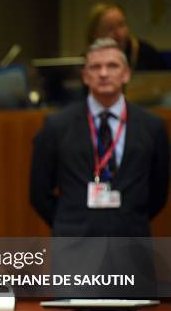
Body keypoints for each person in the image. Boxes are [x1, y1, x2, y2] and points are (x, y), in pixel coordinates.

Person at [30, 38, 169, 297]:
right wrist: (71, 221)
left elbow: (158, 192)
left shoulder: (153, 127)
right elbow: (39, 193)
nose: (104, 73)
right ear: (84, 76)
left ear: (126, 73)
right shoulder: (56, 126)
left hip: (132, 250)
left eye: (112, 66)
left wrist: (124, 217)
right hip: (75, 252)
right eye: (95, 67)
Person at [86, 2, 168, 71]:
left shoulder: (146, 54)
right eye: (110, 28)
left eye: (121, 25)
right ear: (94, 34)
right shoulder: (87, 60)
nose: (118, 33)